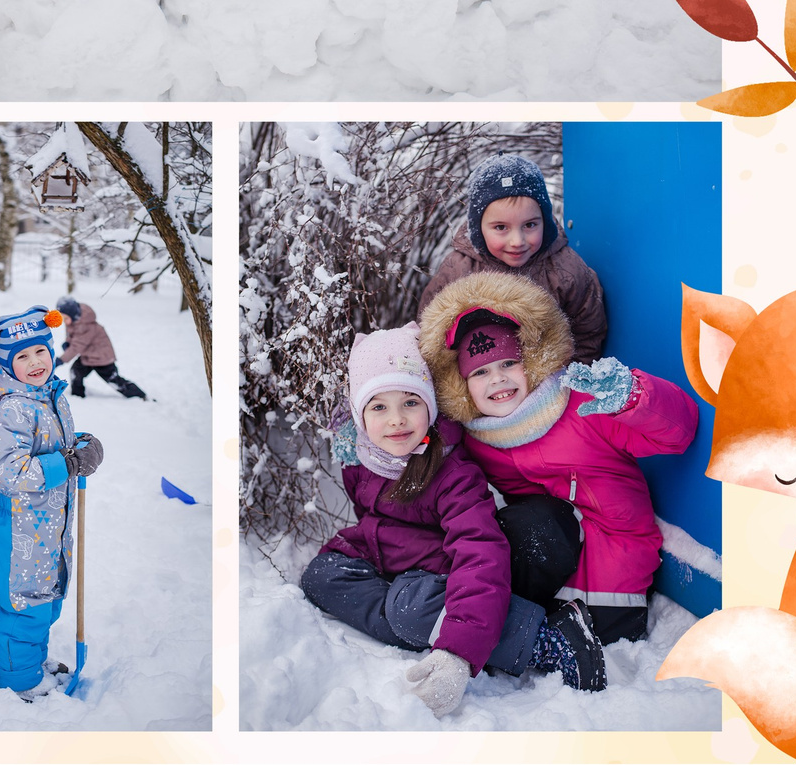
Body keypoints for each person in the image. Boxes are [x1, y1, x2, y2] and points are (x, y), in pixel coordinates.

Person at [297, 325, 607, 714]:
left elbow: (480, 553)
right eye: (379, 407)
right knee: (322, 575)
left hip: (444, 569)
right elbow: (373, 519)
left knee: (410, 609)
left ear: (430, 403)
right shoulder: (364, 457)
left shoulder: (451, 471)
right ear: (360, 416)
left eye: (410, 402)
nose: (396, 420)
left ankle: (548, 637)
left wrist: (456, 654)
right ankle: (432, 615)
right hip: (385, 555)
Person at [418, 271, 699, 659]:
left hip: (613, 567)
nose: (497, 380)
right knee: (515, 533)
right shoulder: (476, 434)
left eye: (508, 364)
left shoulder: (580, 402)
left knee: (599, 648)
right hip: (545, 566)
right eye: (480, 372)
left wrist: (631, 397)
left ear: (531, 362)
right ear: (461, 385)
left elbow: (677, 432)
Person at [0, 307, 102, 701]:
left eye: (40, 353)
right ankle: (19, 683)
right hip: (21, 537)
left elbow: (50, 445)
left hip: (48, 531)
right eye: (22, 357)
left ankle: (32, 665)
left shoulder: (48, 394)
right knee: (24, 614)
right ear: (5, 362)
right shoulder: (12, 407)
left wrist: (80, 445)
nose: (34, 363)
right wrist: (66, 463)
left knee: (46, 607)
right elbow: (8, 472)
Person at [418, 152, 610, 363]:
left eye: (530, 225)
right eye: (501, 227)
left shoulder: (566, 269)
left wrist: (572, 377)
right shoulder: (459, 269)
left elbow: (588, 330)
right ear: (478, 228)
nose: (517, 241)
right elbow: (430, 329)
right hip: (480, 383)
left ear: (544, 221)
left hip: (550, 382)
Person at [54, 298, 146, 399]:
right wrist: (68, 342)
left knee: (114, 381)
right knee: (75, 372)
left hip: (101, 358)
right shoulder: (73, 321)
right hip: (88, 356)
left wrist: (61, 359)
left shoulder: (85, 325)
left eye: (66, 318)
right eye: (62, 318)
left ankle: (140, 396)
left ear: (73, 315)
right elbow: (72, 335)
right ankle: (77, 396)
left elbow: (77, 346)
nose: (64, 321)